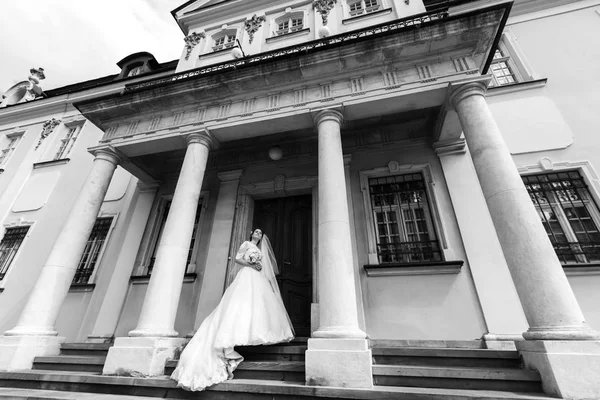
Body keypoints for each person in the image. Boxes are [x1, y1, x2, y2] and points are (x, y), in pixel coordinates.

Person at [170, 228, 295, 391]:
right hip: (246, 275)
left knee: (258, 305)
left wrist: (258, 265)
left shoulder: (260, 249)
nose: (258, 234)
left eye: (260, 233)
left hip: (256, 277)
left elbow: (264, 267)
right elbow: (237, 258)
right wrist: (250, 262)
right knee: (240, 303)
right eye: (256, 232)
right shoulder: (246, 244)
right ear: (251, 234)